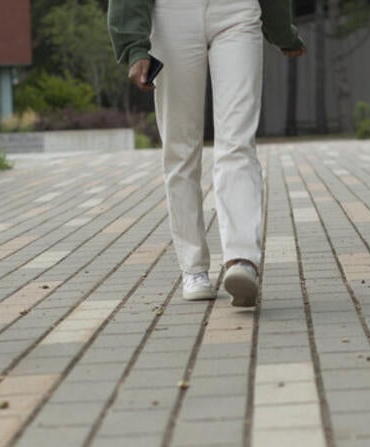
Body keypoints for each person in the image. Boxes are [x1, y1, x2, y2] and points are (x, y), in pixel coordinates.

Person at [109, 0, 306, 307]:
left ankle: (242, 260)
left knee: (238, 141)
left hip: (238, 12)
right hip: (171, 16)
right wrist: (132, 44)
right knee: (180, 148)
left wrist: (282, 30)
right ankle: (194, 268)